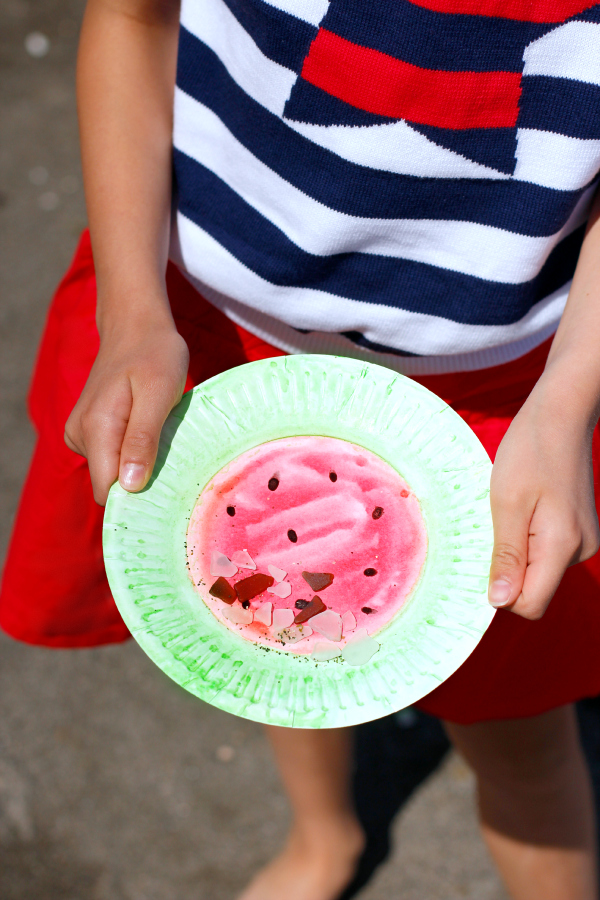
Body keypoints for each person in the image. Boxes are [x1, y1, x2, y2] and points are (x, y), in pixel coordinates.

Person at [2, 0, 600, 898]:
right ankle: (324, 839)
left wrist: (565, 405)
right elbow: (131, 18)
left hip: (499, 396)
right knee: (282, 626)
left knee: (523, 744)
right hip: (209, 326)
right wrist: (130, 309)